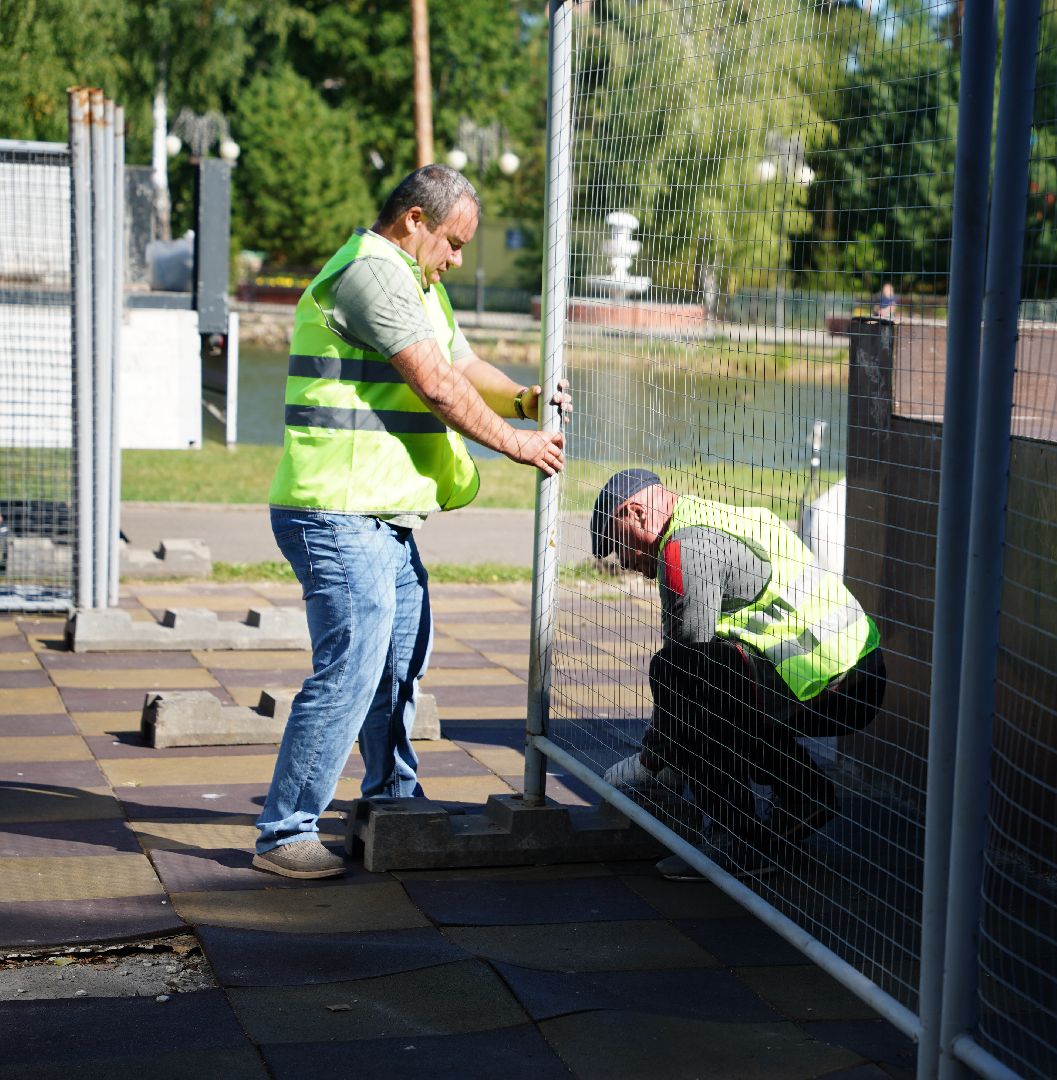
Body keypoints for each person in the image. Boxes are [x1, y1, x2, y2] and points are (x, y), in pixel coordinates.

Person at [252, 164, 570, 879]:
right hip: (337, 509)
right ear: (414, 222)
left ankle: (392, 800)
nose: (457, 260)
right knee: (351, 671)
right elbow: (435, 385)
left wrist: (525, 400)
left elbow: (461, 361)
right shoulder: (373, 274)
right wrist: (519, 444)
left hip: (381, 516)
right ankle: (284, 833)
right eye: (453, 243)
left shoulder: (416, 281)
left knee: (399, 664)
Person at [592, 469, 886, 881]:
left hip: (829, 682)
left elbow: (685, 667)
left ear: (636, 513)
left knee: (677, 673)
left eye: (617, 544)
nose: (622, 561)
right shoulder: (719, 516)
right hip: (858, 670)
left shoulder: (684, 550)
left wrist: (655, 757)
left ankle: (737, 842)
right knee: (727, 678)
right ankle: (804, 796)